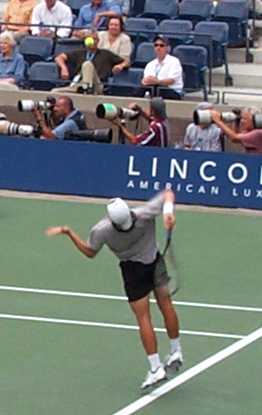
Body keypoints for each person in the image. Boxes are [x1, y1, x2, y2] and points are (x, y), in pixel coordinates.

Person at [45, 190, 183, 389]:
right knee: (166, 305)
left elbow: (90, 252)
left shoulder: (102, 230)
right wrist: (168, 212)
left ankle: (156, 368)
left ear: (112, 219)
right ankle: (176, 350)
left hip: (134, 272)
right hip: (155, 262)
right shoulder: (145, 213)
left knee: (144, 318)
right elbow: (168, 193)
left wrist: (69, 232)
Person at [53, 31, 125, 94]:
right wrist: (64, 68)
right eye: (90, 39)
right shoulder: (79, 53)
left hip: (97, 85)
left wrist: (121, 66)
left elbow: (126, 61)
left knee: (87, 64)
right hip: (77, 84)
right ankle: (83, 88)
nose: (93, 41)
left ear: (98, 41)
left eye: (95, 39)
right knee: (55, 92)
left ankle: (86, 88)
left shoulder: (106, 54)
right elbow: (59, 58)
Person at [142, 34, 184, 100]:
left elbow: (171, 80)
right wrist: (147, 81)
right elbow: (146, 80)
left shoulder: (174, 61)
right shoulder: (150, 64)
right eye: (156, 45)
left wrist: (157, 81)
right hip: (155, 90)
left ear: (168, 48)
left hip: (172, 91)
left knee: (157, 87)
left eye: (161, 45)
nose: (158, 48)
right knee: (141, 89)